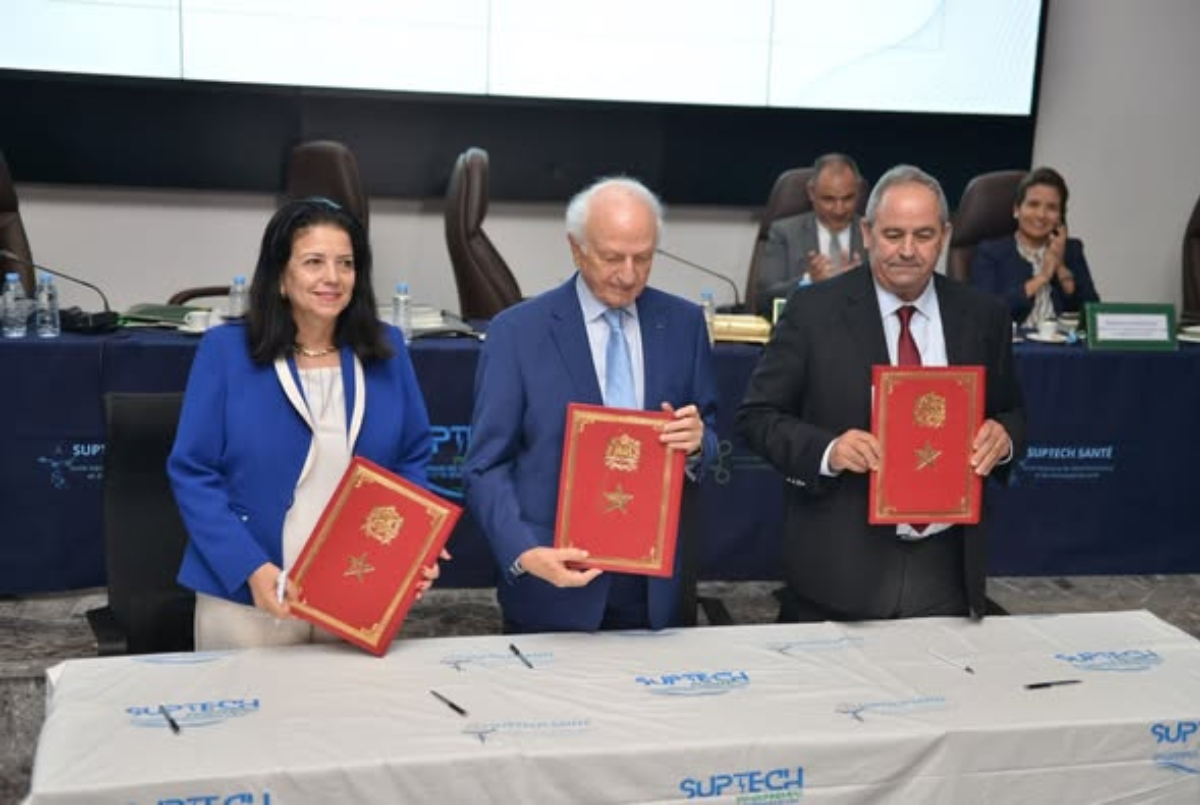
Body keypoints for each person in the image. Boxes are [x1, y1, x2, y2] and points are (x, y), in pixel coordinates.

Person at [736, 165, 1026, 623]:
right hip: (840, 566)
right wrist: (829, 451)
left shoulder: (983, 315)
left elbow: (1012, 411)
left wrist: (1004, 438)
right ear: (868, 233)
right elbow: (757, 417)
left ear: (945, 235)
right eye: (893, 234)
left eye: (924, 235)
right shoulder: (813, 311)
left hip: (945, 567)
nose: (908, 250)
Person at [169, 197, 440, 651]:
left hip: (354, 584)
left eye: (346, 263)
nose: (332, 277)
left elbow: (412, 457)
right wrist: (250, 568)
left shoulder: (386, 348)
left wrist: (410, 546)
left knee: (348, 699)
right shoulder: (226, 351)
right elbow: (193, 471)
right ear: (280, 275)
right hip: (251, 588)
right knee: (254, 700)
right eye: (314, 262)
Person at [463, 177, 719, 633]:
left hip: (655, 588)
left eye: (643, 258)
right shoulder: (518, 333)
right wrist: (522, 552)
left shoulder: (683, 325)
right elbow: (485, 466)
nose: (628, 274)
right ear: (576, 249)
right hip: (554, 581)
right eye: (612, 258)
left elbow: (712, 434)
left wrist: (699, 444)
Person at [970, 166, 1100, 327]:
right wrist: (1042, 278)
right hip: (1013, 342)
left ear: (1060, 216)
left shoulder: (1072, 250)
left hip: (1063, 342)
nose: (1041, 215)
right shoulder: (990, 252)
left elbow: (1093, 316)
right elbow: (985, 313)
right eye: (1033, 204)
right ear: (1016, 210)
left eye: (1051, 208)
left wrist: (1060, 266)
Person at [755, 153, 866, 315]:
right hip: (803, 327)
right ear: (811, 192)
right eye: (829, 199)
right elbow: (764, 299)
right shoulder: (784, 233)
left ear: (858, 191)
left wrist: (863, 283)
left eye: (848, 198)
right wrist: (809, 281)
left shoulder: (874, 233)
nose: (839, 209)